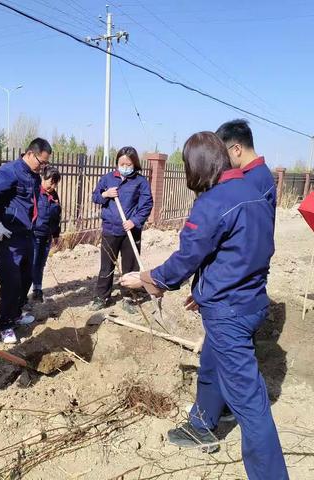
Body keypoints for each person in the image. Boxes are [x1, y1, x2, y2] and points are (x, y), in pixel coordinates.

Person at [120, 132, 288, 480]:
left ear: (197, 166)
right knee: (213, 363)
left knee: (253, 406)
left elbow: (187, 258)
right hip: (251, 300)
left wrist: (149, 278)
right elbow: (246, 251)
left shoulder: (213, 203)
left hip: (230, 312)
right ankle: (205, 421)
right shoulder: (256, 190)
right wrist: (206, 289)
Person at [0, 138, 52, 344]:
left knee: (26, 276)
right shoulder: (10, 171)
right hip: (8, 236)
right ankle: (6, 325)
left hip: (26, 233)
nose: (43, 166)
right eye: (41, 162)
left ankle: (16, 313)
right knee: (11, 281)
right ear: (30, 154)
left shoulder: (34, 176)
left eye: (46, 163)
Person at [90, 146, 153, 314]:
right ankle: (102, 297)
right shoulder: (108, 179)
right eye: (121, 163)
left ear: (135, 163)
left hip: (130, 231)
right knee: (106, 265)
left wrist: (134, 221)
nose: (125, 166)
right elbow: (95, 196)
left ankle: (128, 296)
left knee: (130, 267)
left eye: (128, 163)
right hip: (110, 229)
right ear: (117, 163)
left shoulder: (141, 182)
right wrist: (105, 194)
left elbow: (146, 204)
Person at [216, 119, 276, 212]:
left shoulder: (250, 180)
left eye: (223, 153)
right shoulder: (261, 173)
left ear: (237, 149)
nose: (222, 160)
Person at [31, 166, 62, 303]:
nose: (53, 185)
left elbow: (57, 216)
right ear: (43, 177)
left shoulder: (54, 195)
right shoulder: (35, 192)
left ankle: (37, 290)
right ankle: (23, 295)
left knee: (40, 264)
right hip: (34, 234)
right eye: (51, 182)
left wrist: (56, 235)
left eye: (56, 183)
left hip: (47, 235)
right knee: (32, 263)